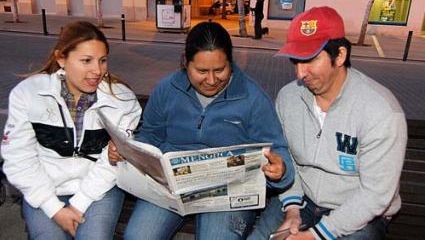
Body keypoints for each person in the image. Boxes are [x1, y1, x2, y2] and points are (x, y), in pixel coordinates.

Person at [109, 21, 294, 239]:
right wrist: (129, 150)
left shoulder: (252, 98)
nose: (212, 80)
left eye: (220, 70)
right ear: (186, 63)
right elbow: (150, 135)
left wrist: (281, 170)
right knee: (138, 237)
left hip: (227, 193)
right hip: (171, 188)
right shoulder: (168, 89)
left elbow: (278, 150)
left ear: (231, 63)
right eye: (201, 71)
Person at [250, 6, 407, 239]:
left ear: (340, 55)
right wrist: (292, 210)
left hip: (359, 213)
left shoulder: (381, 110)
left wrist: (315, 234)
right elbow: (287, 159)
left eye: (310, 60)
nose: (300, 74)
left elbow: (375, 195)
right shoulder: (288, 97)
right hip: (302, 201)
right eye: (296, 61)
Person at [1, 21, 142, 239]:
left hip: (99, 190)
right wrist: (54, 208)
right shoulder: (29, 94)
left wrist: (78, 205)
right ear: (61, 59)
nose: (98, 70)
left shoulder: (121, 101)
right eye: (86, 61)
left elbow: (111, 163)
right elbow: (18, 158)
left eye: (103, 60)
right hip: (44, 188)